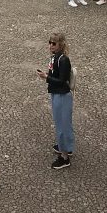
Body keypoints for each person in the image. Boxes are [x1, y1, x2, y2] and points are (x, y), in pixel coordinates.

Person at [37, 31, 74, 170]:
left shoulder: (63, 60)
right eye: (50, 42)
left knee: (62, 126)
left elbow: (62, 81)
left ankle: (65, 157)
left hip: (62, 95)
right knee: (63, 124)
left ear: (60, 45)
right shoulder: (56, 57)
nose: (50, 45)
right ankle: (66, 147)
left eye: (54, 43)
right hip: (57, 94)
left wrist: (46, 77)